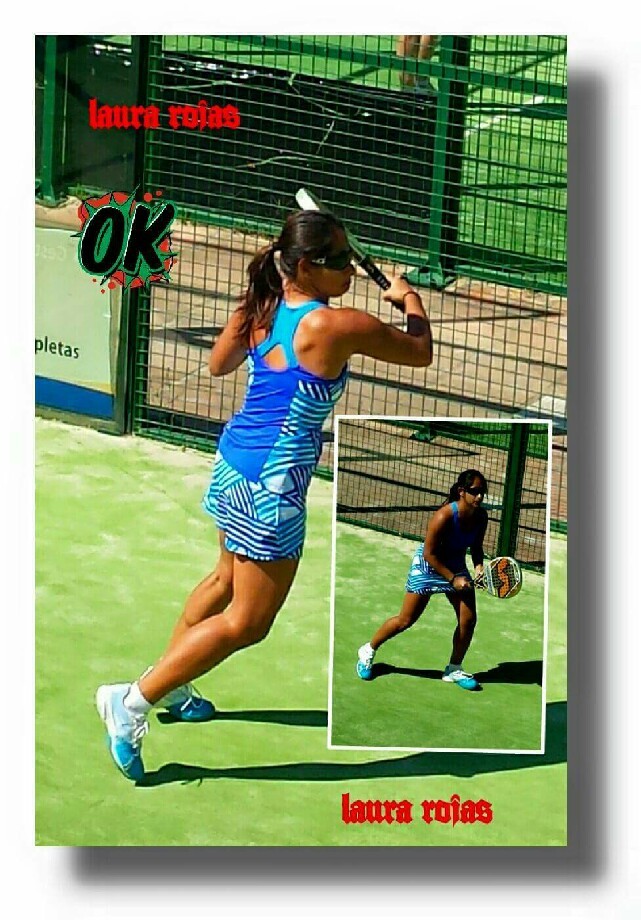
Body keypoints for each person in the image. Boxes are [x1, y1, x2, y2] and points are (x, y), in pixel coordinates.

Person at [96, 208, 433, 781]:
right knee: (249, 622)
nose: (351, 268)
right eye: (338, 260)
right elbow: (419, 351)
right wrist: (409, 300)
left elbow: (218, 364)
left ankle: (174, 686)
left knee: (223, 581)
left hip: (232, 466)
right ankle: (131, 701)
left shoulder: (262, 305)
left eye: (350, 257)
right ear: (304, 266)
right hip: (271, 487)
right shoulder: (334, 326)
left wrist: (251, 309)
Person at [356, 469, 489, 691]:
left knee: (468, 620)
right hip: (429, 565)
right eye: (475, 491)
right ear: (461, 491)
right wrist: (453, 579)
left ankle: (454, 669)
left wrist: (478, 567)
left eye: (483, 492)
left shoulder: (481, 517)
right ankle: (368, 650)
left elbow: (476, 547)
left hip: (455, 564)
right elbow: (429, 553)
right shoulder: (443, 516)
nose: (480, 496)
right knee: (405, 620)